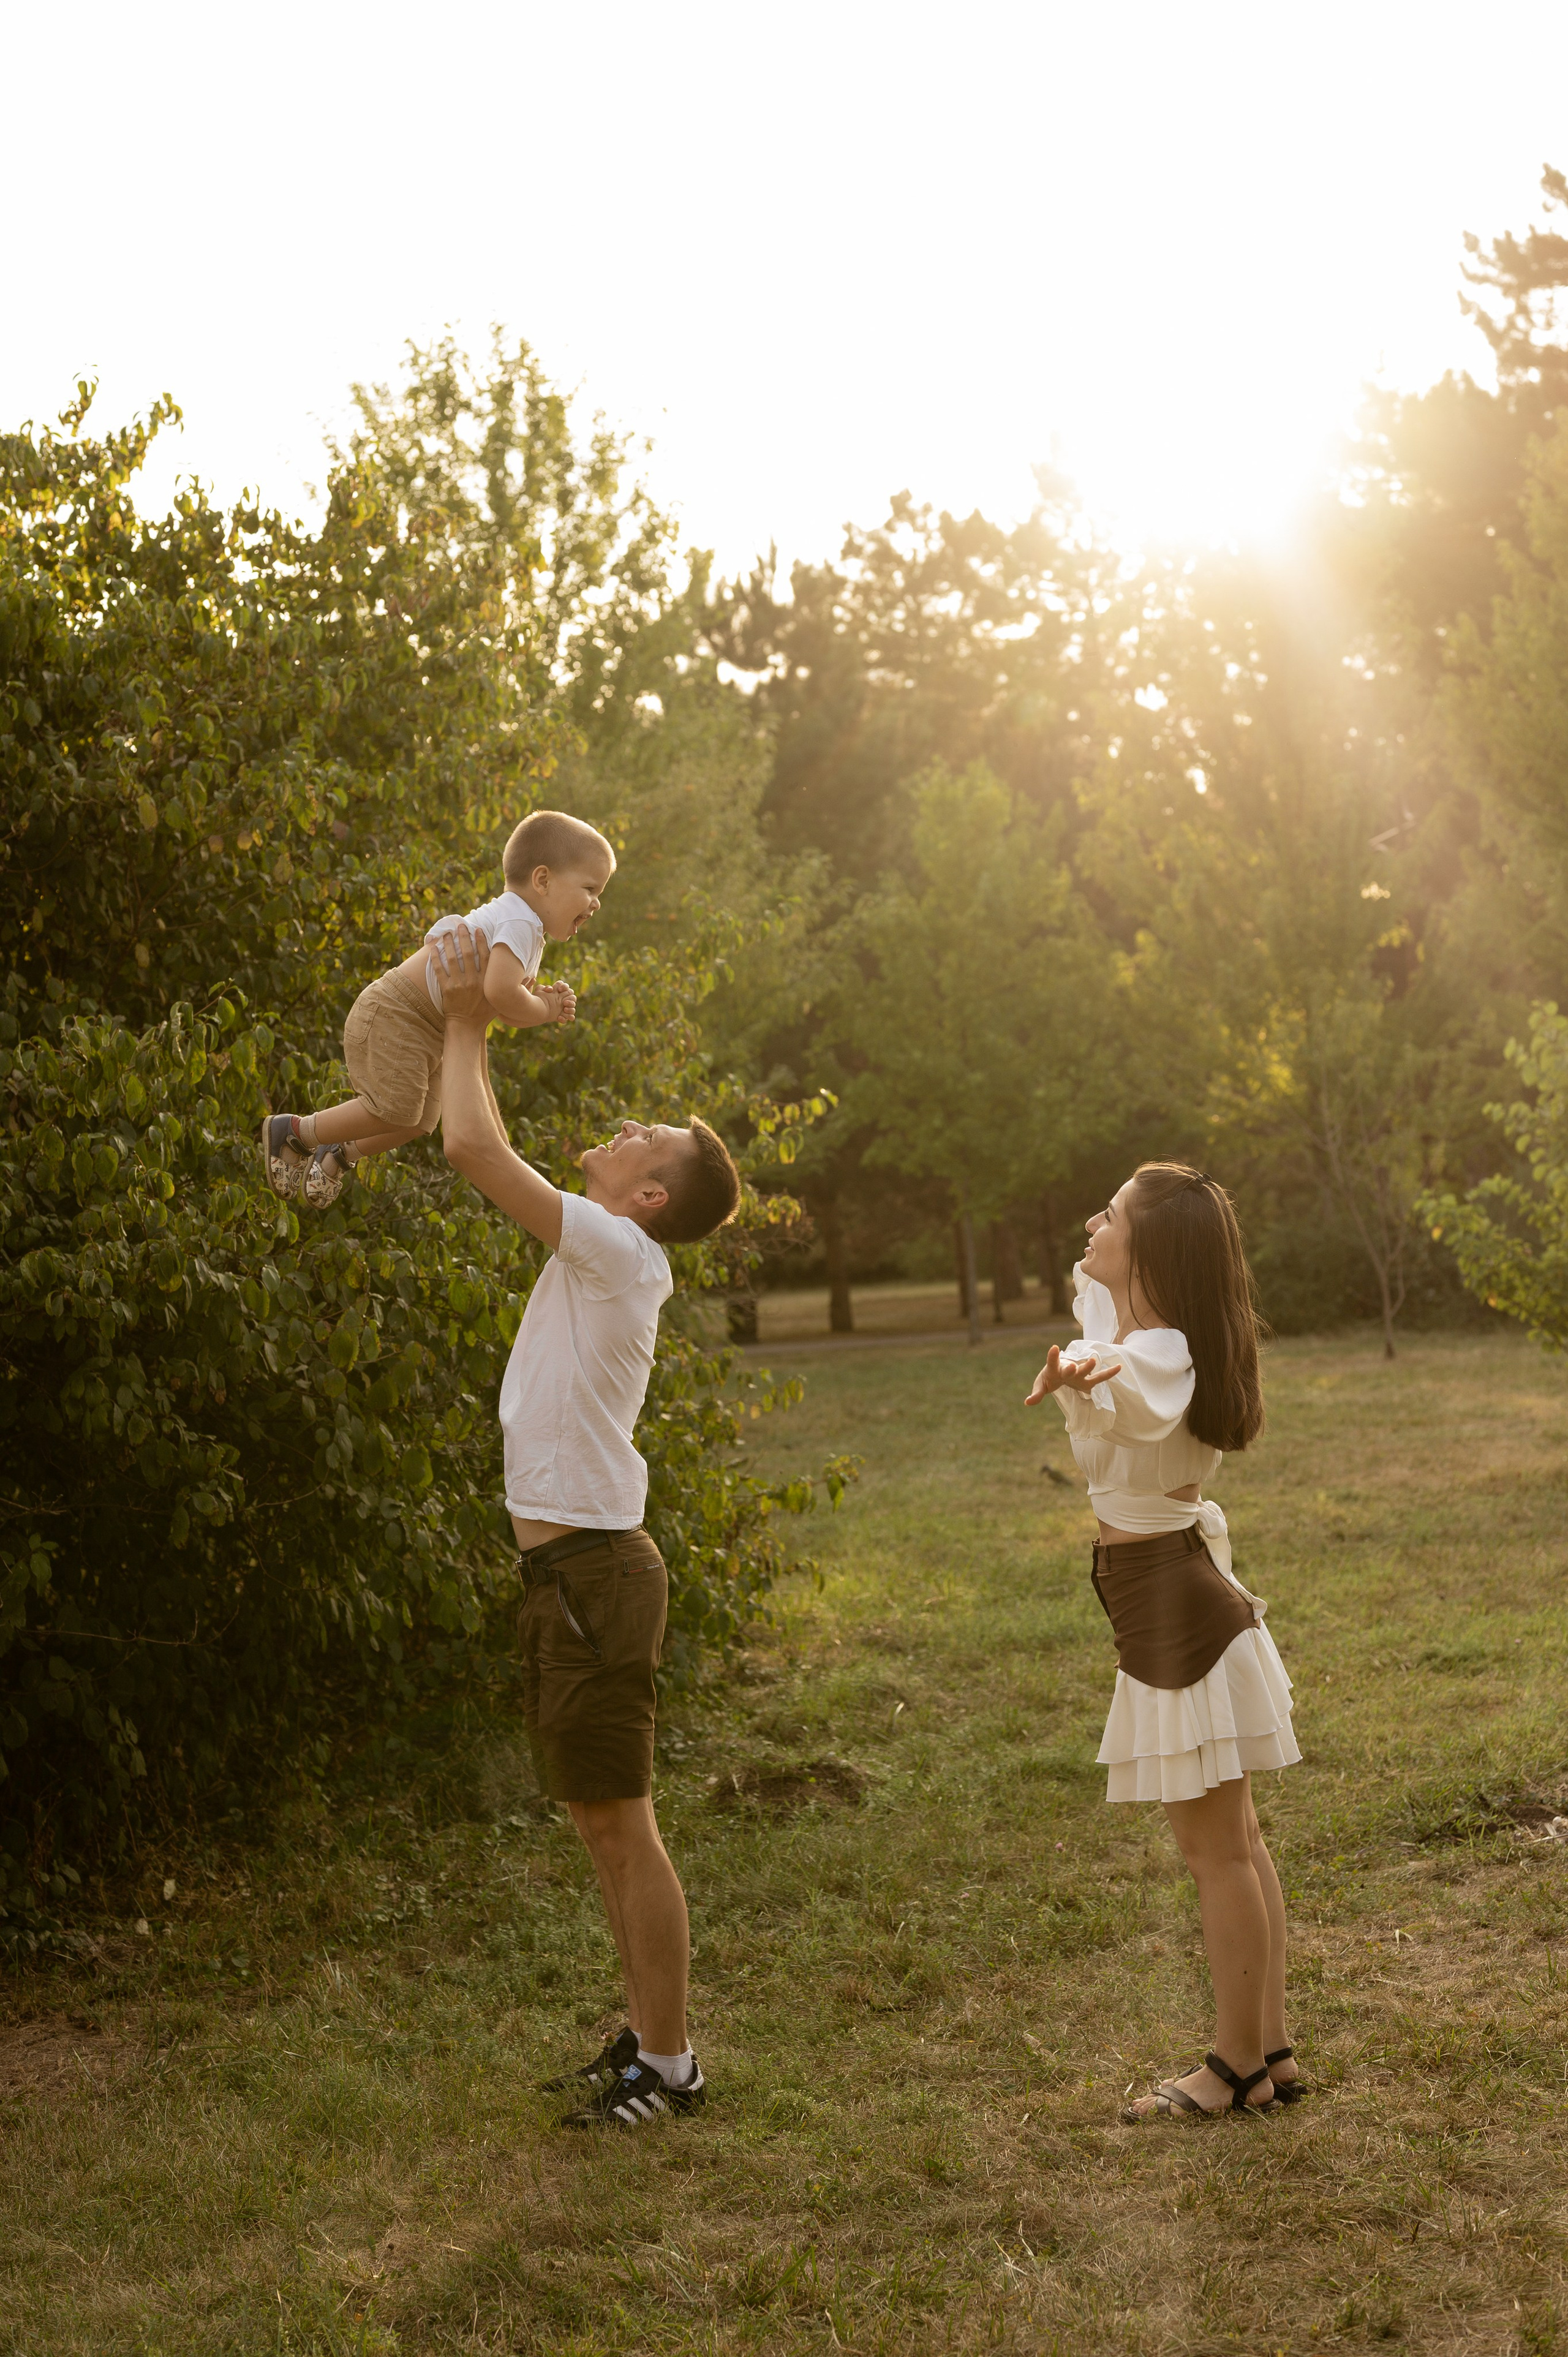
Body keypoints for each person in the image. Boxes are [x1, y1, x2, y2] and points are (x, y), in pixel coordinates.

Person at [434, 921, 741, 2129]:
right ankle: (641, 2040)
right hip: (572, 1568)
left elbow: (470, 1142)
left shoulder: (616, 1249)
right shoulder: (605, 1249)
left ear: (647, 1194)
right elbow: (476, 1133)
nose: (621, 1130)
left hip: (597, 1572)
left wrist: (468, 1015)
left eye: (641, 1139)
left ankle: (670, 2069)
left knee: (623, 1823)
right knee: (598, 1823)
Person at [1025, 1164, 1302, 2122]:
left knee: (1215, 1849)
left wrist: (1085, 1369)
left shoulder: (1153, 1357)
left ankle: (1229, 2070)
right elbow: (1094, 1296)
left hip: (1173, 1605)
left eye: (1114, 1213)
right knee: (1237, 1841)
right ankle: (1266, 2051)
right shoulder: (1143, 1332)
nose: (1093, 1220)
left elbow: (1135, 1386)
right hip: (1174, 1590)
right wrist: (1093, 1339)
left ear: (1150, 1250)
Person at [260, 810, 613, 1208]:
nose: (597, 903)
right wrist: (545, 1009)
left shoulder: (526, 931)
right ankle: (295, 1132)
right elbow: (500, 993)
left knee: (419, 1121)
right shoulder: (520, 921)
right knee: (396, 1109)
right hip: (400, 1012)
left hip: (429, 1029)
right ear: (543, 880)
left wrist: (537, 1003)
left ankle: (340, 1153)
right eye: (590, 888)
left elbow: (503, 1011)